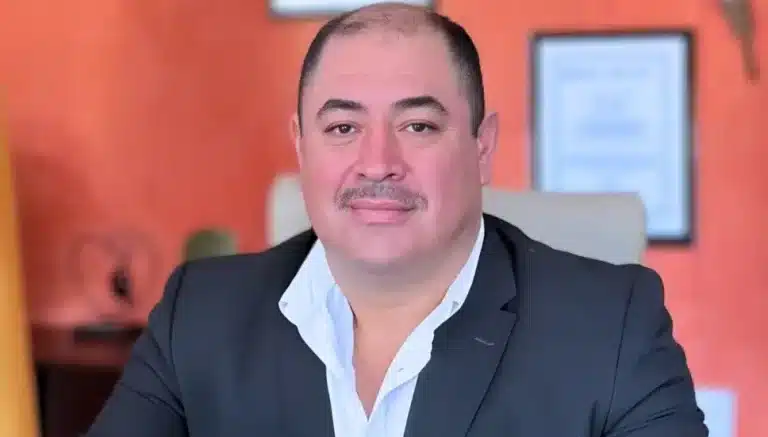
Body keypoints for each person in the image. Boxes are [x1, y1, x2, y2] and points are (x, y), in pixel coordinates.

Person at [85, 2, 708, 436]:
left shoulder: (612, 328)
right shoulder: (198, 315)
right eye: (343, 127)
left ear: (482, 147)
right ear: (301, 147)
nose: (378, 162)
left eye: (418, 125)